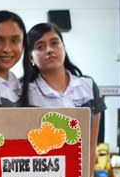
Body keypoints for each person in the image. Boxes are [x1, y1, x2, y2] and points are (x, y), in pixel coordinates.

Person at [17, 22, 106, 159]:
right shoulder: (23, 91)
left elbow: (91, 147)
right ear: (30, 57)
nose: (49, 50)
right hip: (39, 174)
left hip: (78, 173)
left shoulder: (88, 86)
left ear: (63, 47)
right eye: (40, 47)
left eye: (54, 43)